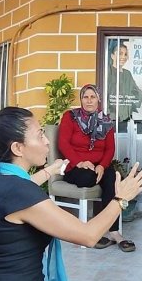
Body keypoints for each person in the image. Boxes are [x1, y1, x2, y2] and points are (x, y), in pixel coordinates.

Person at [0, 107, 142, 280]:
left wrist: (51, 170)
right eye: (40, 135)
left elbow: (19, 190)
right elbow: (88, 235)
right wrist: (121, 198)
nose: (47, 141)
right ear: (18, 148)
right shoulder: (19, 193)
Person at [57, 84, 136, 252]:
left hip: (97, 168)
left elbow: (110, 149)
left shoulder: (106, 121)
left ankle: (114, 232)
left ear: (98, 99)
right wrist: (80, 162)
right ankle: (92, 230)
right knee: (87, 177)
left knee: (111, 179)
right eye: (85, 97)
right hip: (75, 167)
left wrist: (102, 165)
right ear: (81, 99)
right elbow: (63, 143)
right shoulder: (70, 117)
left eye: (93, 97)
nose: (89, 100)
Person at [106, 40, 142, 124]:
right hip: (110, 118)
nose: (123, 57)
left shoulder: (127, 74)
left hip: (126, 118)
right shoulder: (108, 71)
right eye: (120, 53)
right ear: (112, 56)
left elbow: (138, 93)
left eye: (125, 54)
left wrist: (129, 104)